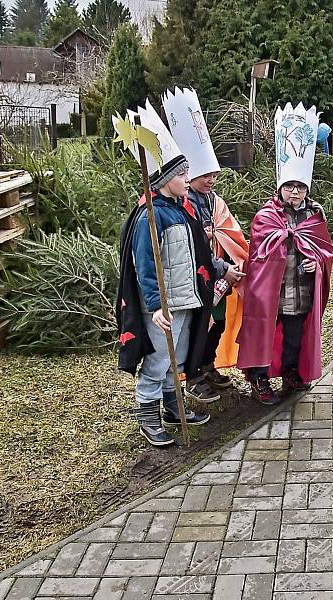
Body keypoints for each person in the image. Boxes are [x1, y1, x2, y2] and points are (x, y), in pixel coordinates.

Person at [115, 101, 214, 447]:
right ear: (167, 178)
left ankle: (173, 407)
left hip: (184, 301)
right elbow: (145, 266)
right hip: (163, 309)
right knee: (158, 362)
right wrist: (157, 305)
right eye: (184, 174)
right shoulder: (150, 218)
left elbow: (191, 257)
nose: (189, 180)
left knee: (177, 360)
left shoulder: (177, 211)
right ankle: (147, 416)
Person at [236, 103, 333, 406]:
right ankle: (259, 377)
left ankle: (291, 370)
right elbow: (259, 253)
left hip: (300, 292)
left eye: (300, 187)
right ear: (280, 187)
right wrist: (283, 243)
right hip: (271, 293)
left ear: (307, 189)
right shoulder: (266, 216)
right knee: (264, 334)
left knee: (294, 336)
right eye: (289, 186)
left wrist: (315, 262)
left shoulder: (314, 217)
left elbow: (324, 250)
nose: (294, 192)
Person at [163, 87, 249, 403]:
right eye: (203, 174)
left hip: (221, 275)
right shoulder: (182, 203)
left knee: (219, 321)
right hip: (199, 276)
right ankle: (194, 374)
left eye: (213, 174)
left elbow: (229, 231)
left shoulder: (214, 200)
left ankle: (209, 364)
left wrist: (231, 259)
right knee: (199, 325)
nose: (210, 179)